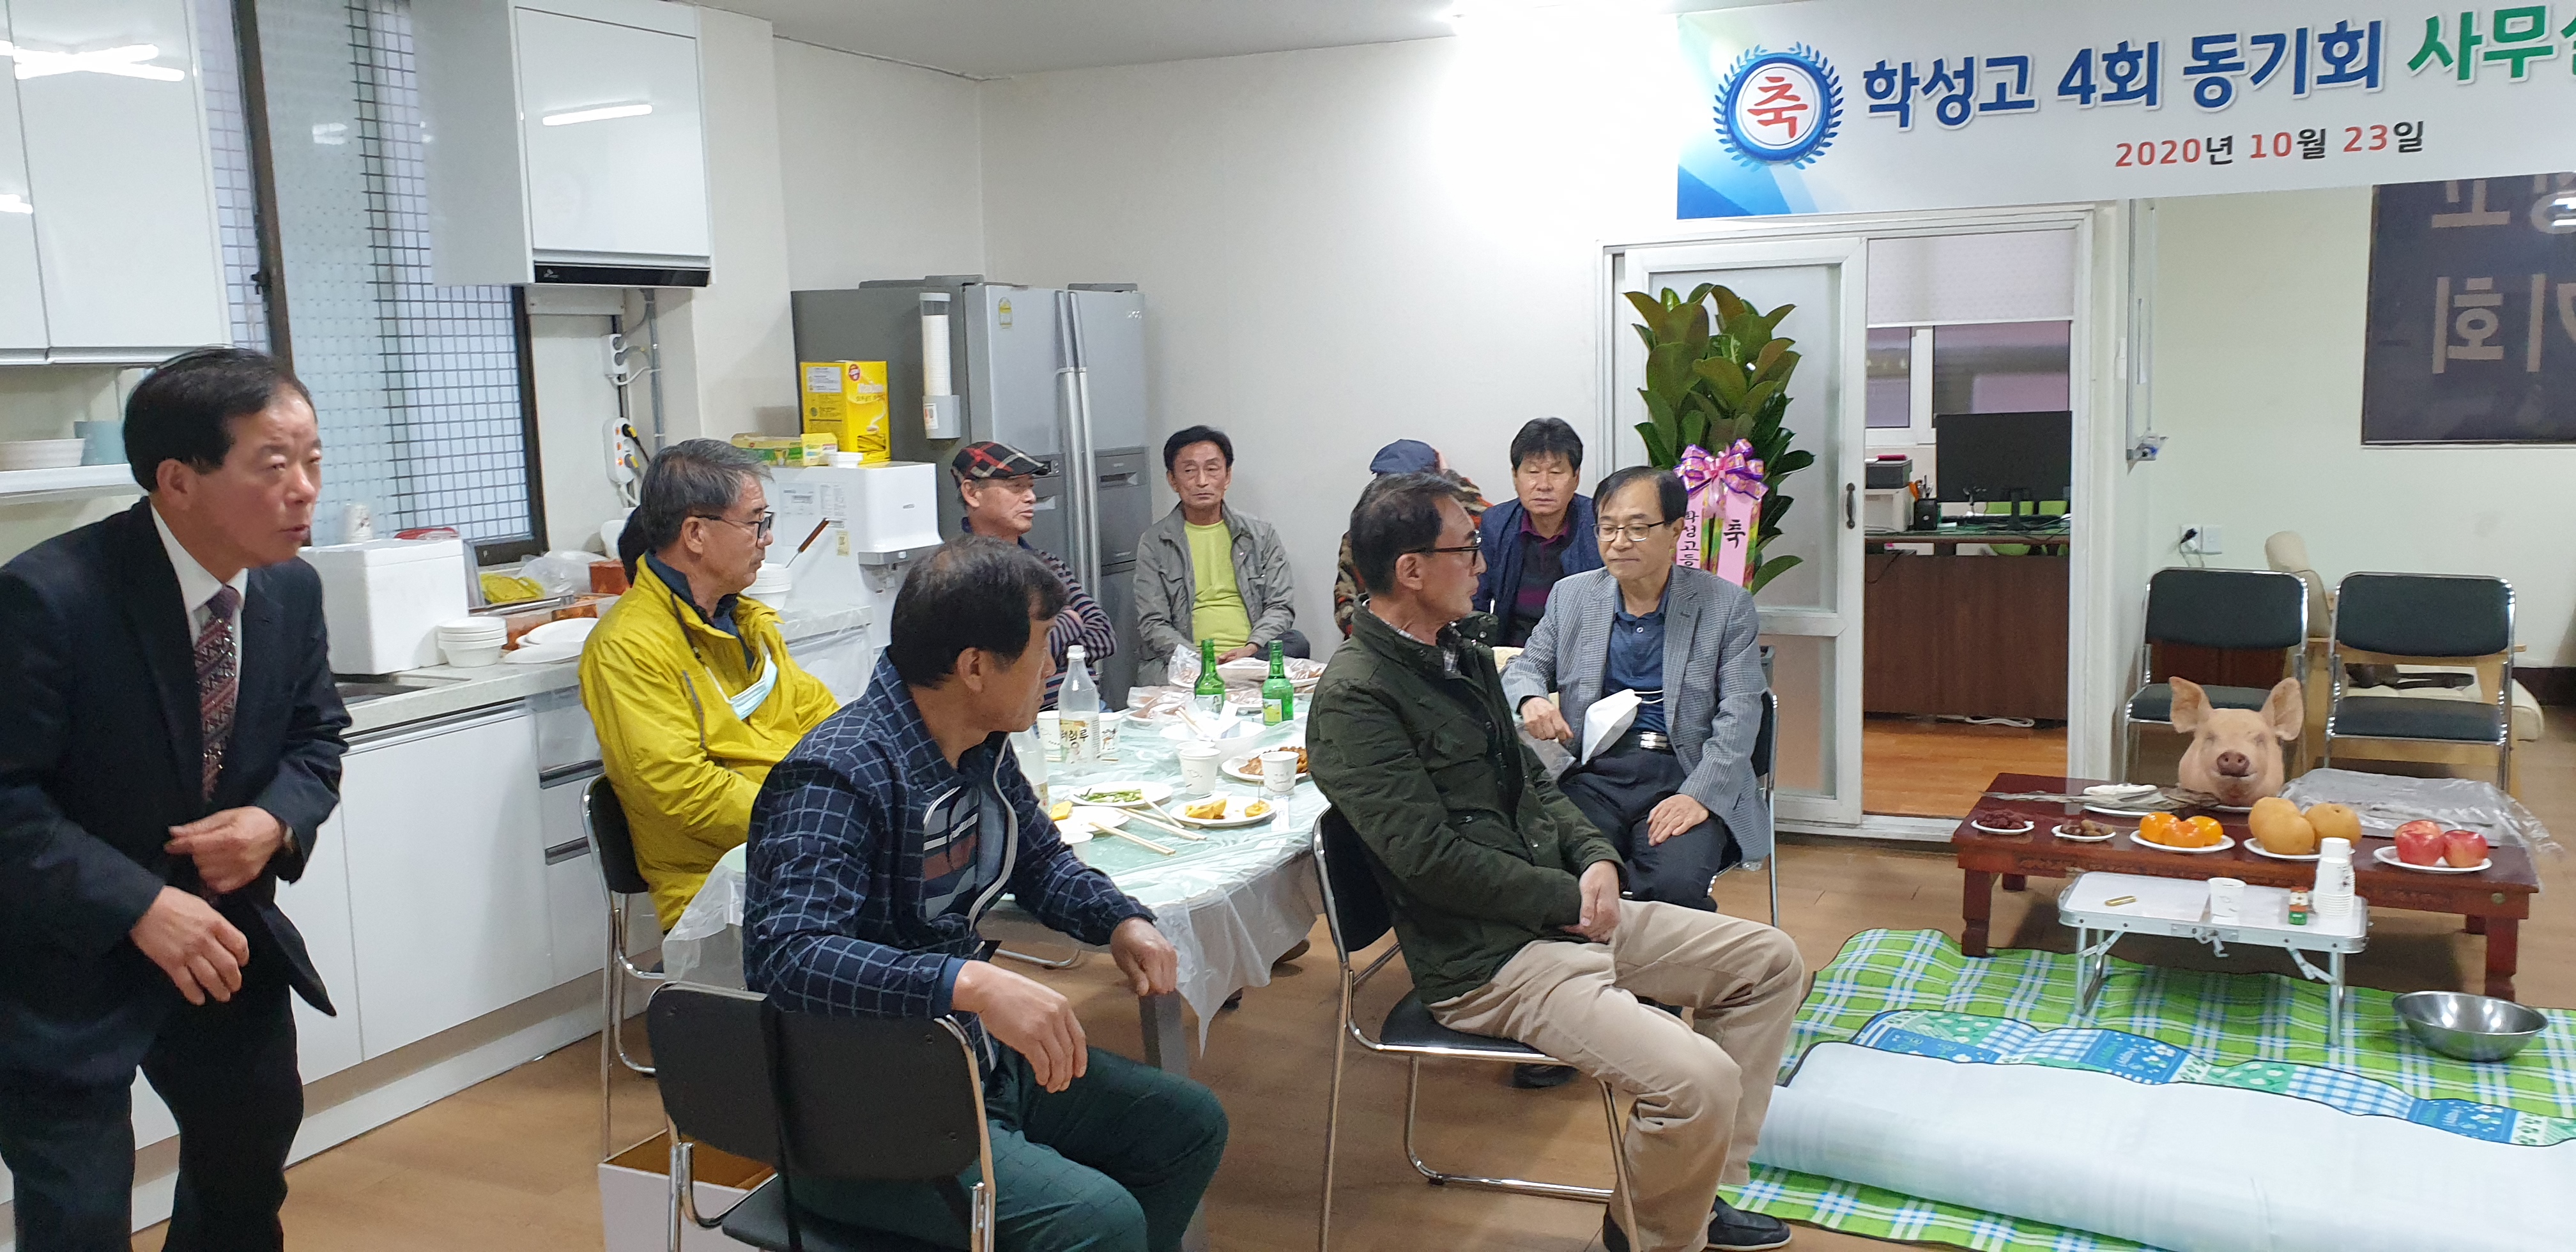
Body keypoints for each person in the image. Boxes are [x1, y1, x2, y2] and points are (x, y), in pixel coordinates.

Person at [1308, 472, 1802, 1252]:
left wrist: (1594, 855)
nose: (1483, 563)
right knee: (1700, 1081)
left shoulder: (1459, 654)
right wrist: (1564, 896)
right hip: (1487, 960)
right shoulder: (1357, 698)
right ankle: (1655, 1235)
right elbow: (1430, 861)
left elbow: (1533, 782)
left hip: (1549, 918)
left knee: (1770, 962)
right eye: (1467, 548)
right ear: (1411, 570)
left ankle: (1686, 1202)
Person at [746, 537, 1227, 1252]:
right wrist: (968, 983)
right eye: (1040, 650)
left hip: (970, 1065)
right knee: (1099, 1221)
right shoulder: (837, 774)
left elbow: (1042, 861)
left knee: (1186, 1126)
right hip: (862, 1114)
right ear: (975, 667)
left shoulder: (981, 746)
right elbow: (790, 956)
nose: (1052, 668)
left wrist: (1119, 919)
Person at [0, 347, 350, 1251]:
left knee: (245, 1172)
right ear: (178, 480)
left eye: (313, 460)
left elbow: (318, 739)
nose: (305, 490)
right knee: (78, 1214)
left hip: (224, 942)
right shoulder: (49, 597)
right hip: (66, 957)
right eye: (274, 465)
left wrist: (273, 821)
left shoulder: (291, 588)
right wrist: (139, 904)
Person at [583, 439, 840, 931]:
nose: (767, 538)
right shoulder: (627, 647)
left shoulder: (744, 619)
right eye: (756, 523)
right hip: (722, 894)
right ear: (696, 533)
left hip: (802, 853)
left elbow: (825, 723)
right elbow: (685, 793)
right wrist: (818, 818)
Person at [1506, 466, 1772, 912]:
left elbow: (1742, 712)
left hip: (1684, 771)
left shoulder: (1726, 606)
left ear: (1675, 531)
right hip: (1594, 773)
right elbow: (1525, 667)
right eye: (1607, 528)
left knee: (1674, 885)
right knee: (1555, 868)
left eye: (1637, 528)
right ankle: (1590, 956)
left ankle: (1659, 958)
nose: (1619, 542)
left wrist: (1698, 794)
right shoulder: (1572, 597)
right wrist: (1530, 696)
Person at [953, 439, 1117, 709]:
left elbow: (1103, 635)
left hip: (1085, 708)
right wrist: (1071, 623)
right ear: (972, 493)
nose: (1030, 497)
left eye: (1030, 487)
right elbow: (1001, 663)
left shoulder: (1047, 565)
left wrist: (1036, 647)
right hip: (1020, 722)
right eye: (1016, 487)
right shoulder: (964, 575)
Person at [1132, 424, 1301, 685]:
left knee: (1297, 642)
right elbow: (1153, 622)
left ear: (1227, 476)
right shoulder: (1155, 542)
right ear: (1173, 480)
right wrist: (1200, 660)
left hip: (1254, 656)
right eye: (1189, 471)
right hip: (1188, 662)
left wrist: (1251, 649)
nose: (1202, 481)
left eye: (1212, 469)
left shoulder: (1261, 535)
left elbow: (1280, 606)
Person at [1332, 439, 1489, 638]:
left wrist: (1453, 482)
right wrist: (1380, 635)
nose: (1479, 566)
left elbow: (1490, 518)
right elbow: (1344, 601)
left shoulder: (1456, 526)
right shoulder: (1362, 537)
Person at [1476, 417, 1602, 648]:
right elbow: (1476, 599)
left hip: (1581, 651)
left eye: (1556, 472)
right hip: (1513, 652)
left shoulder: (1600, 524)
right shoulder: (1496, 524)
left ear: (1576, 478)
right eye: (1533, 471)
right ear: (1515, 476)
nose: (1544, 485)